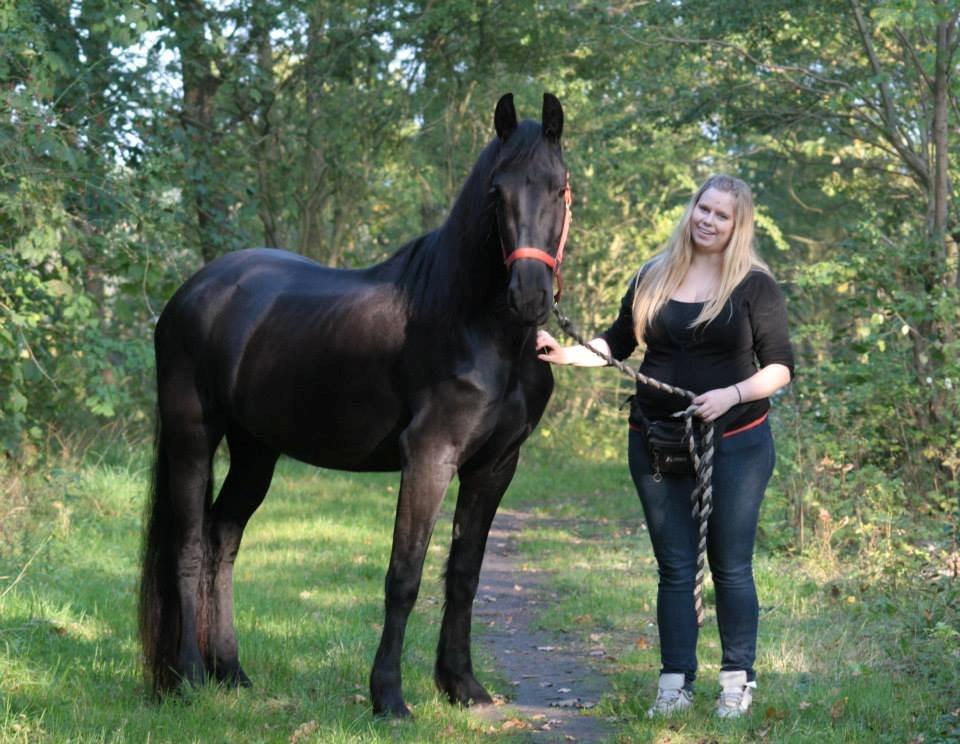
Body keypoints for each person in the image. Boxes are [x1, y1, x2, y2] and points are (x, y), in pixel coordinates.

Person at [536, 174, 794, 719]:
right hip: (656, 438)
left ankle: (736, 682)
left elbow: (779, 368)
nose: (708, 220)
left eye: (722, 215)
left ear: (737, 224)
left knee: (730, 566)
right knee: (675, 566)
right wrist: (567, 354)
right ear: (691, 209)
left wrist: (731, 395)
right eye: (704, 208)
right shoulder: (653, 274)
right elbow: (616, 343)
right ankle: (674, 684)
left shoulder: (754, 284)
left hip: (736, 441)